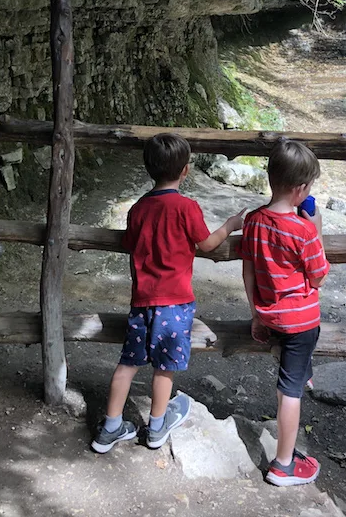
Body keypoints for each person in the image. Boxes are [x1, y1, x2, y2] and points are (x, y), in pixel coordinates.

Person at [91, 133, 245, 453]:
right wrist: (230, 225)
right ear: (185, 171)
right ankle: (157, 427)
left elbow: (129, 243)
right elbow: (206, 244)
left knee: (128, 364)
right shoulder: (186, 207)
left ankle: (110, 428)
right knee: (165, 368)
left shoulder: (138, 209)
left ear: (148, 169)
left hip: (142, 301)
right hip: (176, 302)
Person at [239, 139, 330, 486]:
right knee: (288, 392)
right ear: (301, 190)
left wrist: (256, 315)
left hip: (269, 316)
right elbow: (318, 275)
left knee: (294, 357)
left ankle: (299, 367)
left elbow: (248, 272)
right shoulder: (303, 230)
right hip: (300, 322)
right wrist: (317, 229)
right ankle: (284, 464)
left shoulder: (253, 221)